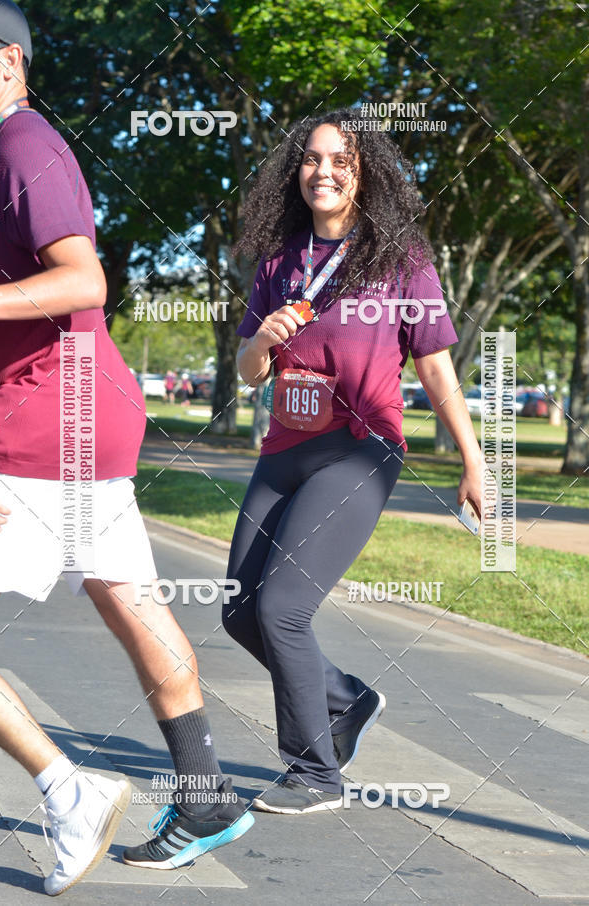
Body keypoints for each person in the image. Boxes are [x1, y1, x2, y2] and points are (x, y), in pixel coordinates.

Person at [0, 2, 252, 895]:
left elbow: (82, 277)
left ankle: (69, 789)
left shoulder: (21, 146)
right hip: (84, 417)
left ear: (10, 63)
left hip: (37, 423)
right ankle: (208, 790)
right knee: (132, 603)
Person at [223, 107, 483, 814]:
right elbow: (249, 371)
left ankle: (315, 774)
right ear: (296, 170)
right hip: (284, 450)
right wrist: (265, 338)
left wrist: (475, 461)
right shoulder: (280, 260)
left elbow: (435, 370)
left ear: (365, 172)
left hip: (360, 452)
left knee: (282, 609)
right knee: (239, 612)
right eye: (311, 158)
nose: (324, 170)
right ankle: (345, 699)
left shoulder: (402, 257)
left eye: (340, 159)